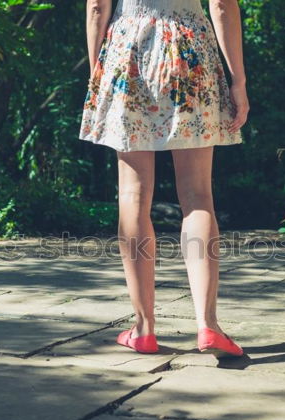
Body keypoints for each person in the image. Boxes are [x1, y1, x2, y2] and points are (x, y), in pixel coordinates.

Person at [80, 0, 249, 357]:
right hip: (191, 49)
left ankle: (143, 329)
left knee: (132, 196)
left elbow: (97, 7)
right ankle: (208, 325)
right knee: (198, 195)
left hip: (129, 51)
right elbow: (221, 5)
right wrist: (239, 80)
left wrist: (99, 71)